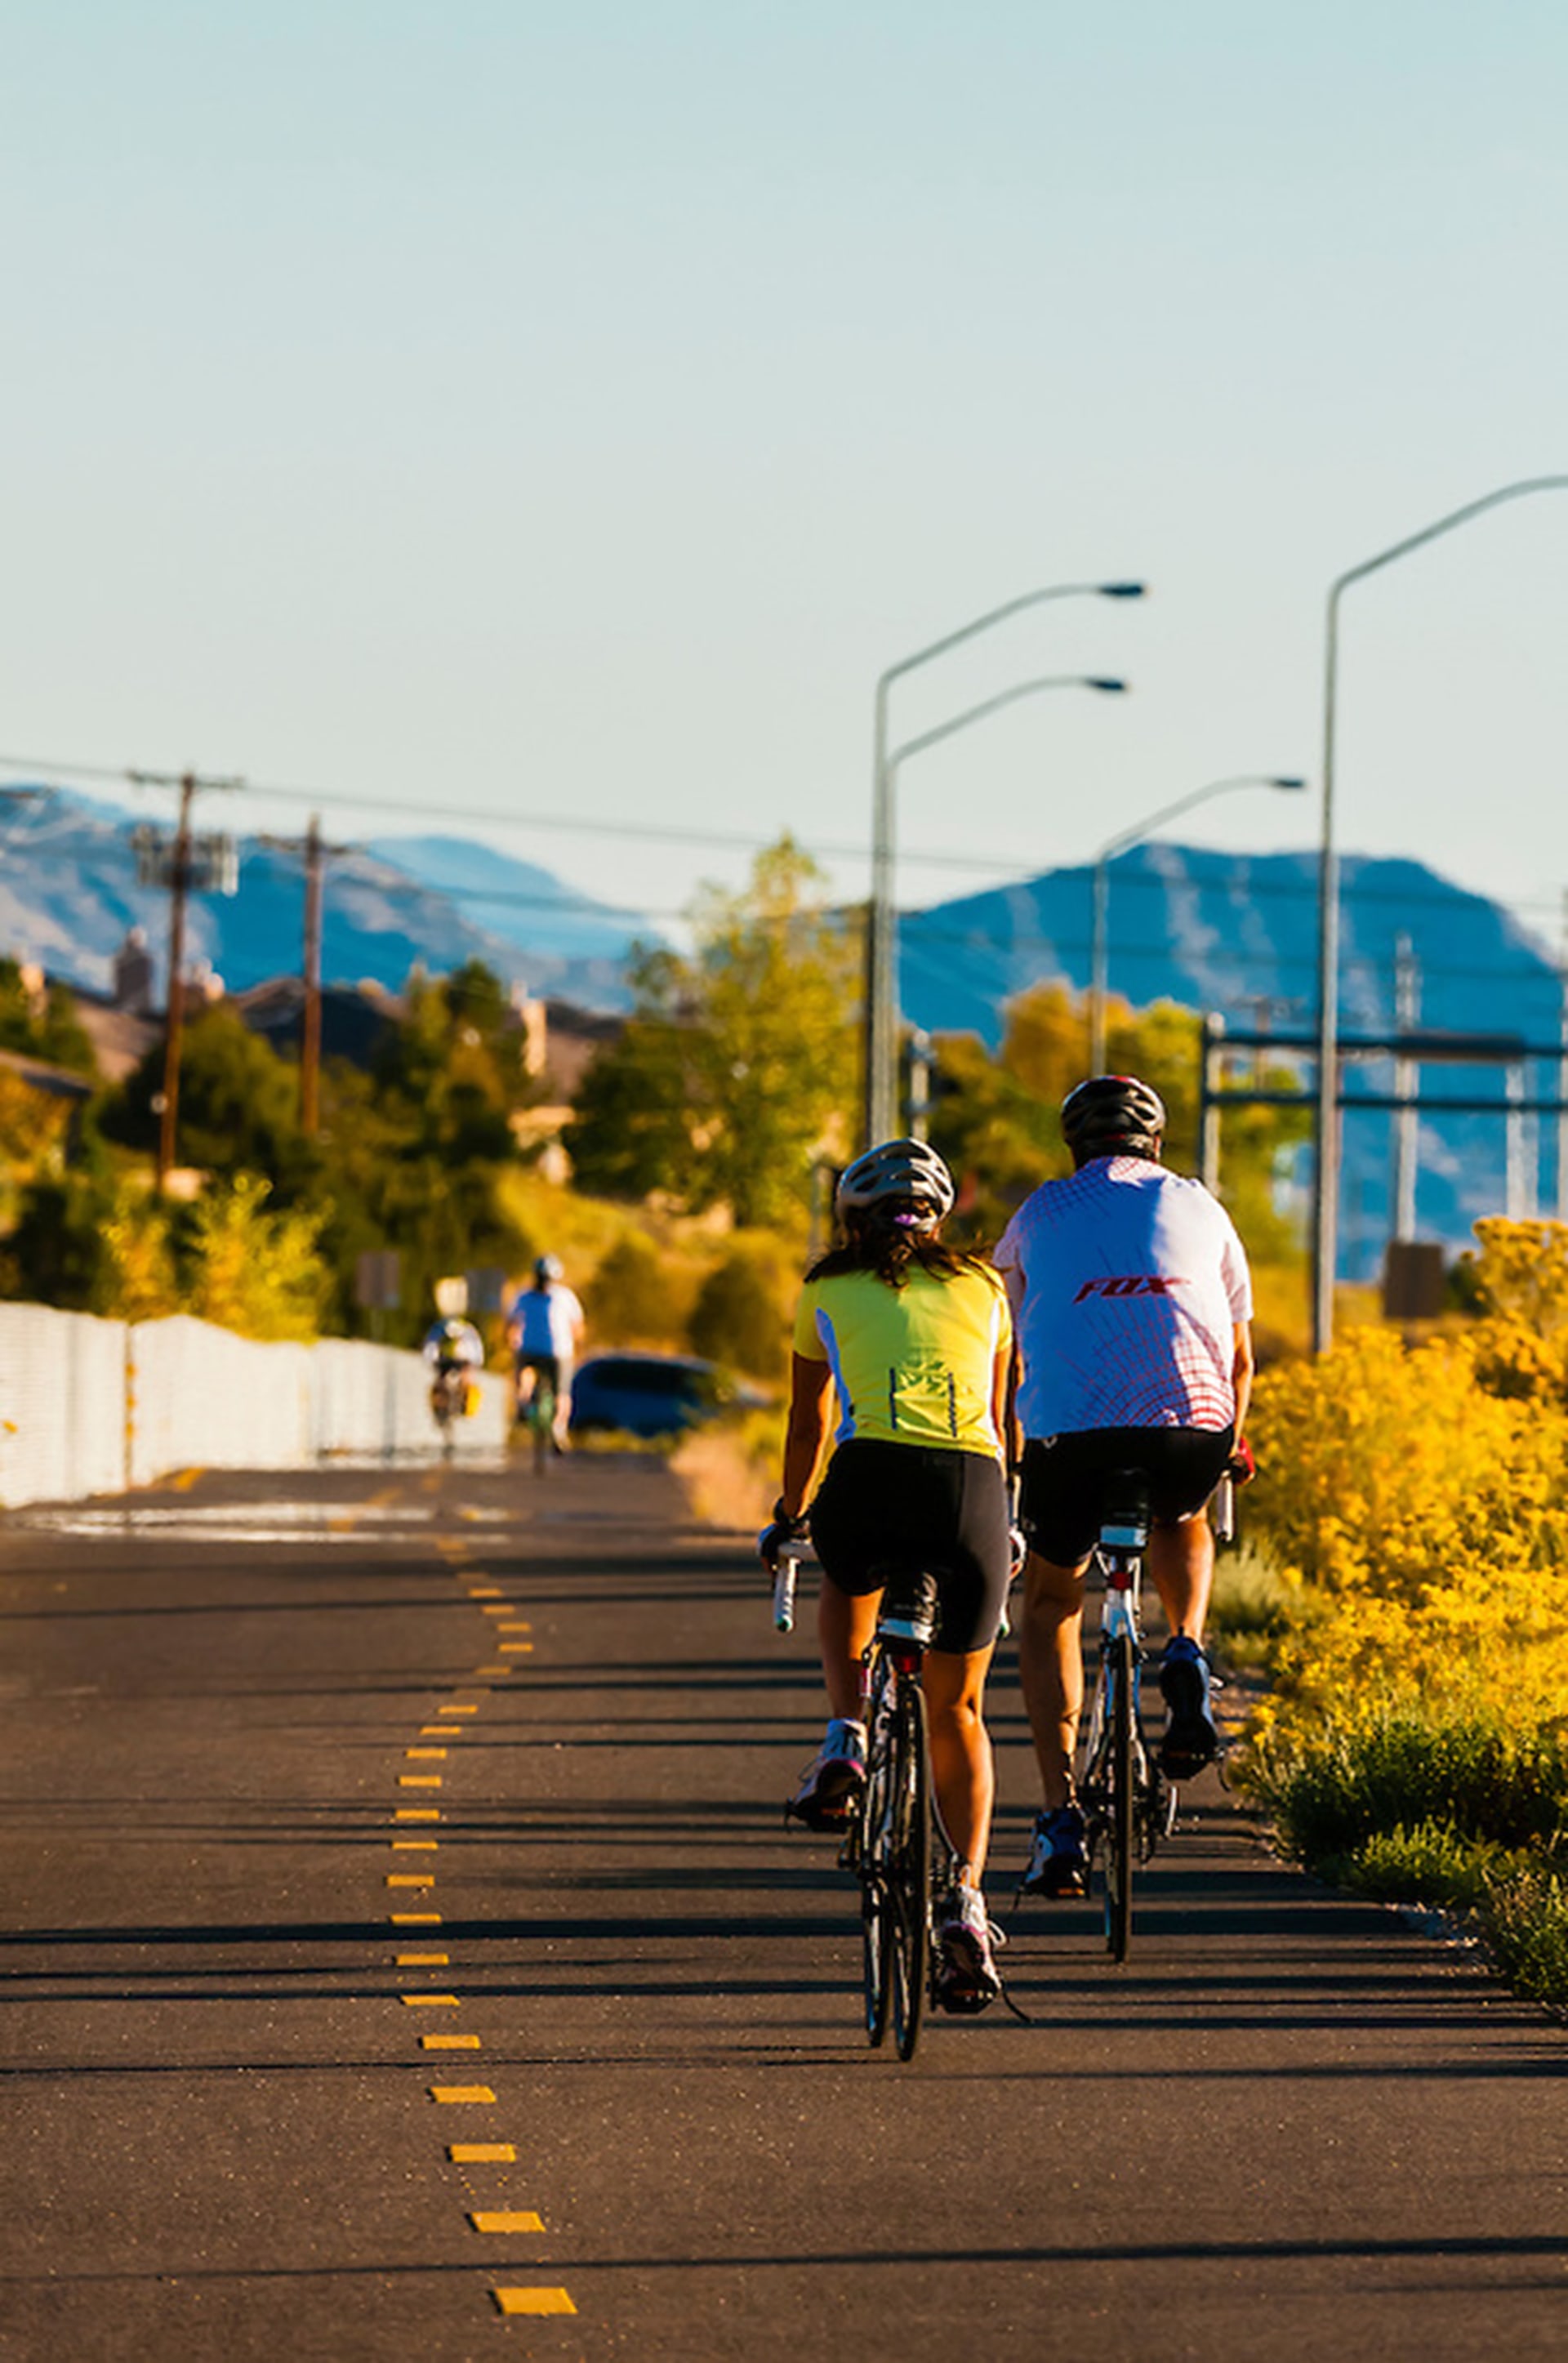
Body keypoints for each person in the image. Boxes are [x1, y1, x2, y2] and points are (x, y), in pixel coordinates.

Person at [758, 1139, 1016, 2013]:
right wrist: (1007, 1519)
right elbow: (999, 1417)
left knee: (845, 1572)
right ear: (937, 1221)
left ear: (851, 1220)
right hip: (971, 1493)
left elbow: (810, 1421)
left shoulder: (826, 1289)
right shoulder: (985, 1288)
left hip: (868, 1481)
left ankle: (847, 1732)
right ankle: (968, 1898)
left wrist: (791, 1514)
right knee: (960, 1710)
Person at [994, 1074, 1254, 1902]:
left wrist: (1011, 1454)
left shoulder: (1038, 1212)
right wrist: (1231, 1442)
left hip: (1069, 1435)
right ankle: (1187, 1646)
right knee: (1184, 1507)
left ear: (1073, 1148)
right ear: (1158, 1144)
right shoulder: (1203, 1206)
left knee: (1051, 1604)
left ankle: (1059, 1814)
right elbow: (1240, 1359)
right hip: (1190, 1429)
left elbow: (1012, 1345)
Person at [507, 1255, 586, 1448]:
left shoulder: (524, 1297)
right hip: (558, 1351)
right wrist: (576, 1345)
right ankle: (558, 1427)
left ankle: (524, 1403)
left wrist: (511, 1342)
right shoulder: (565, 1297)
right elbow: (578, 1327)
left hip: (535, 1349)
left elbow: (511, 1323)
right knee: (562, 1392)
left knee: (526, 1374)